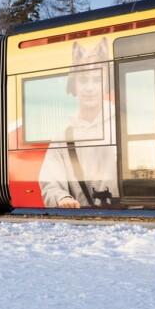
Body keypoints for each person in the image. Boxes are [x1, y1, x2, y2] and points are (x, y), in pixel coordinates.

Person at [38, 37, 118, 208]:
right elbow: (50, 184)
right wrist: (61, 198)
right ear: (74, 85)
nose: (89, 88)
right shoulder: (62, 137)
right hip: (83, 215)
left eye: (97, 80)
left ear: (106, 84)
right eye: (83, 81)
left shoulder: (123, 126)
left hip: (125, 213)